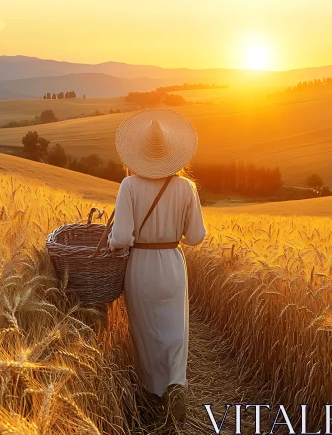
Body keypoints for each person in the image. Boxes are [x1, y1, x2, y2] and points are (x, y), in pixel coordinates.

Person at [108, 109, 207, 427]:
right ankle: (176, 387)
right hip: (173, 265)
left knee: (146, 332)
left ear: (137, 153)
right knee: (175, 331)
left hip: (142, 267)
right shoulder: (186, 188)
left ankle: (152, 399)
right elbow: (195, 238)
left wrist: (111, 242)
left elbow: (121, 237)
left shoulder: (129, 185)